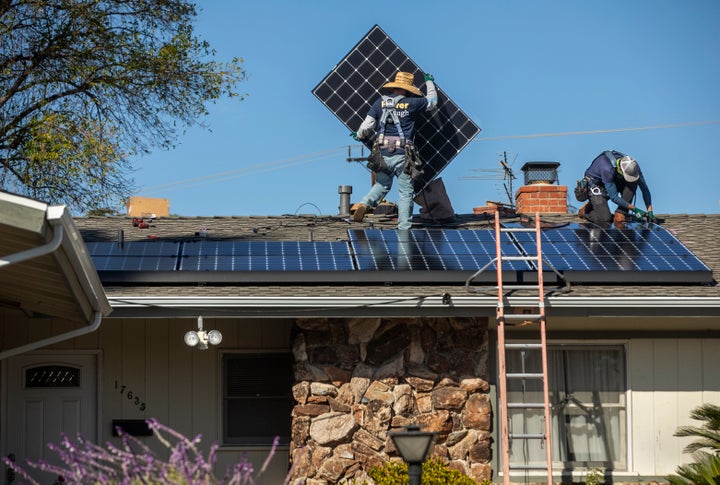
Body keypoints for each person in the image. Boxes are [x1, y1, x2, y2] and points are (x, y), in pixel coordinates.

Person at [351, 71, 438, 230]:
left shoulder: (379, 103)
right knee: (405, 192)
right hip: (402, 153)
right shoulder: (412, 103)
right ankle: (404, 227)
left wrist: (358, 134)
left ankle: (364, 204)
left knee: (382, 184)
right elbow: (432, 102)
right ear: (406, 88)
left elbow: (368, 124)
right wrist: (429, 83)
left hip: (382, 153)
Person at [578, 150, 654, 228]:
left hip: (613, 180)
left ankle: (620, 213)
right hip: (596, 186)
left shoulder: (633, 166)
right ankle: (586, 211)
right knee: (605, 219)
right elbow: (614, 197)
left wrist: (650, 211)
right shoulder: (607, 168)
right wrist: (635, 209)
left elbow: (644, 189)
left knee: (633, 182)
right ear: (621, 170)